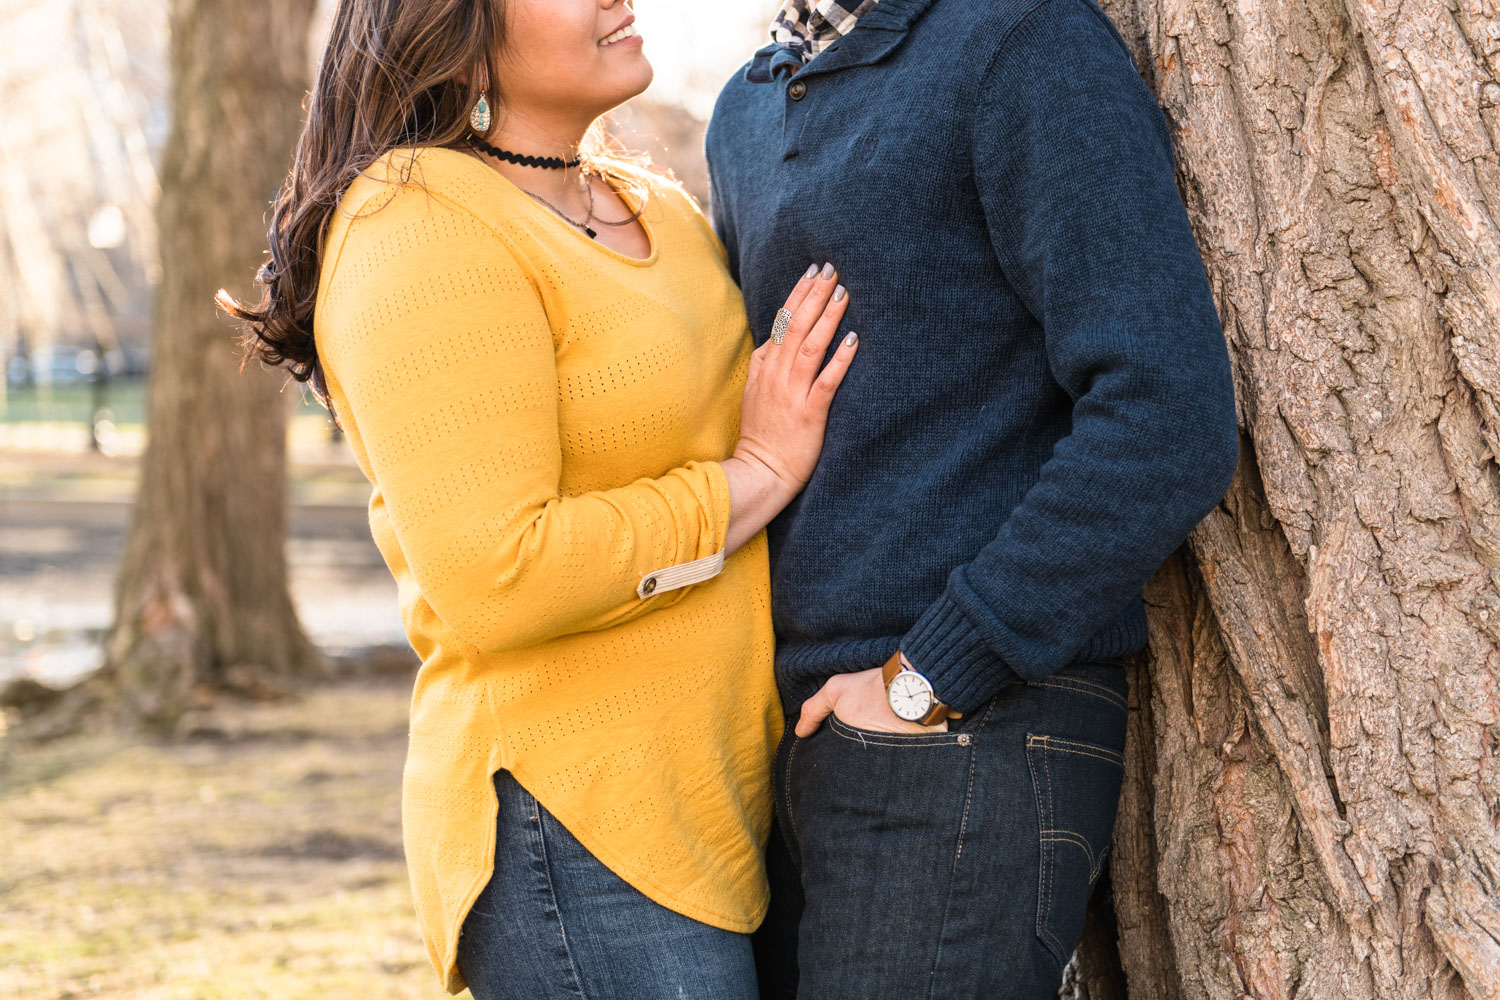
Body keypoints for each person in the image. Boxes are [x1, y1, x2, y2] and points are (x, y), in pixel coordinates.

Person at [217, 0, 862, 996]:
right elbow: (498, 572)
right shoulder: (418, 219)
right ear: (456, 28)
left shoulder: (656, 206)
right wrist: (754, 479)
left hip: (715, 809)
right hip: (572, 827)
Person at [705, 0, 1241, 996]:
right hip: (783, 742)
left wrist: (932, 672)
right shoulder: (746, 107)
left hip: (964, 726)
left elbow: (1165, 411)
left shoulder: (1020, 41)